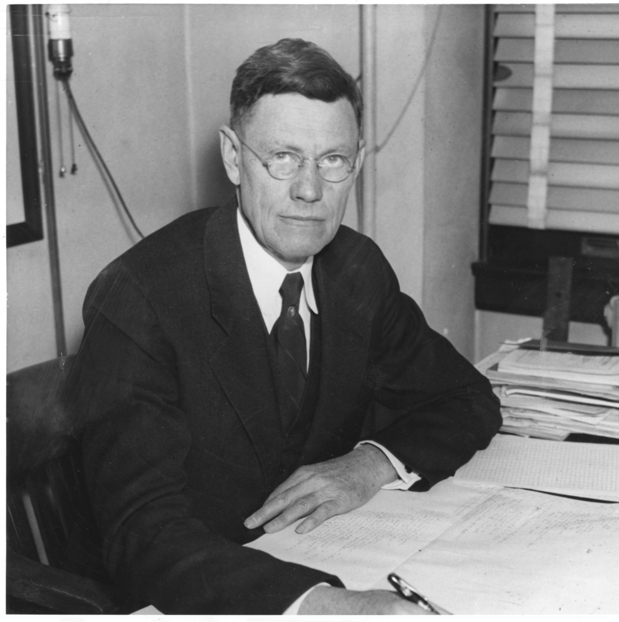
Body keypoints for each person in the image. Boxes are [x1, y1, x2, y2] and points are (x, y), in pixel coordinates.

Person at [68, 38, 501, 615]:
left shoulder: (356, 269)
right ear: (232, 157)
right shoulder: (139, 298)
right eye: (283, 157)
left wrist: (371, 463)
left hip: (333, 549)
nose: (309, 189)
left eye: (332, 160)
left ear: (358, 165)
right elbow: (142, 535)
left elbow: (465, 397)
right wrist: (315, 603)